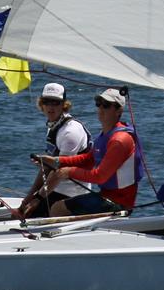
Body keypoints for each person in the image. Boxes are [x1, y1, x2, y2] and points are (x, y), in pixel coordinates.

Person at [34, 88, 143, 216]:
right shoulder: (106, 134)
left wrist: (69, 171)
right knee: (59, 206)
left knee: (58, 208)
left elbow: (99, 177)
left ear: (119, 110)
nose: (101, 109)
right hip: (106, 195)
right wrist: (55, 161)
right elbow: (88, 159)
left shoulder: (119, 140)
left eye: (107, 105)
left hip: (118, 203)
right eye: (99, 103)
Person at [18, 82, 93, 218]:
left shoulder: (70, 132)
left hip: (72, 195)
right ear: (41, 104)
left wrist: (38, 199)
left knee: (26, 217)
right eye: (47, 102)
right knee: (21, 212)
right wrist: (28, 198)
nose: (51, 107)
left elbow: (58, 171)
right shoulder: (54, 126)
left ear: (64, 105)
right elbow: (46, 168)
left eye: (56, 103)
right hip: (54, 189)